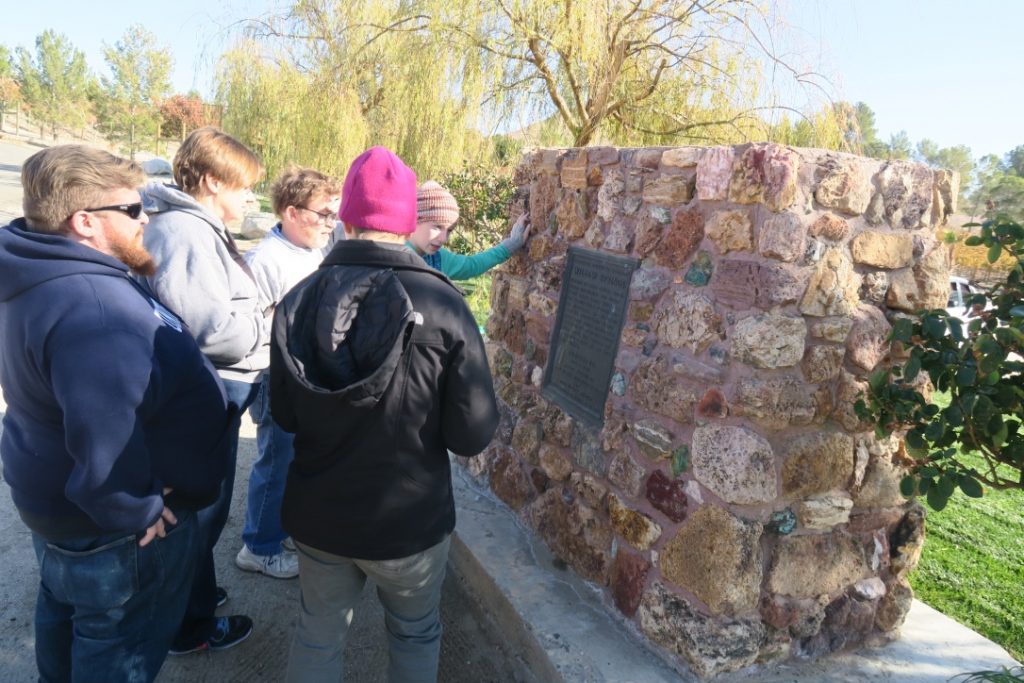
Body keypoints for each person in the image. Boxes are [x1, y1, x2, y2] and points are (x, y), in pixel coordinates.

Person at [0, 145, 236, 682]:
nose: (146, 217)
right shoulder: (93, 306)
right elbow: (103, 435)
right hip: (113, 531)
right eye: (131, 210)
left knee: (64, 616)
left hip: (61, 508)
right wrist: (138, 509)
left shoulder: (44, 270)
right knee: (115, 645)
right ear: (84, 221)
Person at [270, 147, 499, 682]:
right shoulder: (445, 307)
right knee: (415, 634)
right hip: (408, 521)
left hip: (319, 514)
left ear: (345, 217)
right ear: (406, 222)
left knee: (317, 633)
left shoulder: (297, 300)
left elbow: (282, 414)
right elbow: (472, 434)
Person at [139, 126, 266, 654]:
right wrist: (265, 322)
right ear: (213, 182)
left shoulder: (190, 226)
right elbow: (213, 331)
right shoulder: (187, 233)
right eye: (241, 187)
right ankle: (187, 628)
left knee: (201, 511)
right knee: (198, 512)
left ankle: (193, 599)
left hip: (206, 389)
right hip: (208, 389)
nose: (249, 197)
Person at [236, 166, 342, 579]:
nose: (331, 224)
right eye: (324, 214)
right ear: (292, 212)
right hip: (275, 377)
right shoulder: (265, 260)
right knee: (276, 461)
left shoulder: (312, 251)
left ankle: (274, 530)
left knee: (292, 457)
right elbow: (248, 326)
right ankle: (258, 548)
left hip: (303, 375)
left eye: (334, 215)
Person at [409, 180, 530, 279]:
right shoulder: (393, 254)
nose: (443, 238)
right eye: (437, 227)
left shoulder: (437, 258)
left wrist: (511, 245)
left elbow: (471, 266)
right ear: (415, 219)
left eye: (449, 231)